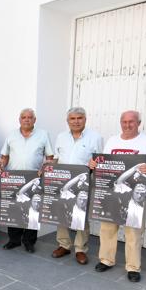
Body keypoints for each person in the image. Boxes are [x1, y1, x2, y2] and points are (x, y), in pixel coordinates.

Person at [90, 111, 146, 282]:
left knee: (133, 232)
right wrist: (94, 164)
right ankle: (106, 260)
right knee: (107, 228)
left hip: (135, 195)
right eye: (124, 121)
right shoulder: (112, 140)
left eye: (132, 121)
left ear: (139, 123)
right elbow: (103, 163)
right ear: (120, 123)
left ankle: (133, 267)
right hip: (111, 193)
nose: (127, 125)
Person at [51, 107, 102, 264]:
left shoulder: (95, 137)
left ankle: (80, 248)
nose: (76, 121)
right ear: (68, 121)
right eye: (72, 119)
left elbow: (100, 161)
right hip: (63, 182)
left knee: (81, 215)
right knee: (62, 213)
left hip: (84, 183)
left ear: (85, 119)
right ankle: (64, 244)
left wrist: (96, 164)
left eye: (79, 118)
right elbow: (56, 159)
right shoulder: (61, 137)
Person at [0, 108, 53, 253]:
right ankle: (14, 240)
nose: (27, 119)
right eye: (24, 117)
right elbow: (5, 156)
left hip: (34, 178)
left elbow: (49, 157)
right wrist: (1, 166)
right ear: (19, 120)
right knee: (14, 209)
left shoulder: (43, 135)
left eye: (30, 117)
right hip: (13, 178)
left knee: (32, 211)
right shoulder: (11, 135)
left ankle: (29, 242)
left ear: (34, 120)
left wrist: (45, 168)